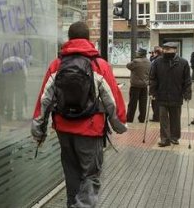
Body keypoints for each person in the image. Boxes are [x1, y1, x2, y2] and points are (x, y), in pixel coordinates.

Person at [31, 21, 127, 207]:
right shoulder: (99, 65)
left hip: (64, 130)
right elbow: (113, 101)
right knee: (90, 176)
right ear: (88, 39)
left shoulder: (57, 64)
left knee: (72, 175)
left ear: (69, 39)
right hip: (90, 131)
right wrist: (120, 125)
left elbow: (44, 100)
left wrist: (38, 129)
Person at [149, 42, 192, 147]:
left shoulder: (183, 63)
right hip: (161, 95)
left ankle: (174, 137)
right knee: (163, 119)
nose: (167, 51)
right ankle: (165, 139)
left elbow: (187, 80)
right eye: (165, 49)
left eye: (169, 49)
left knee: (175, 118)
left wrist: (187, 93)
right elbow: (153, 78)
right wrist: (152, 91)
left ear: (175, 50)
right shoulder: (157, 62)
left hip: (176, 95)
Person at [126, 48, 150, 123]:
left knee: (132, 103)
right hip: (144, 85)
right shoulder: (149, 62)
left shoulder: (136, 61)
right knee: (143, 104)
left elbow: (128, 66)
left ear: (140, 54)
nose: (136, 53)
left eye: (137, 52)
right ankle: (142, 118)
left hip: (135, 85)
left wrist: (135, 59)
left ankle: (130, 118)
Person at [149, 46, 163, 122]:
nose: (152, 54)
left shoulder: (156, 61)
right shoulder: (162, 59)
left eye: (153, 52)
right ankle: (158, 116)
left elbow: (152, 73)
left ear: (156, 53)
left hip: (156, 85)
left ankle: (156, 117)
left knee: (155, 102)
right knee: (158, 102)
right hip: (161, 85)